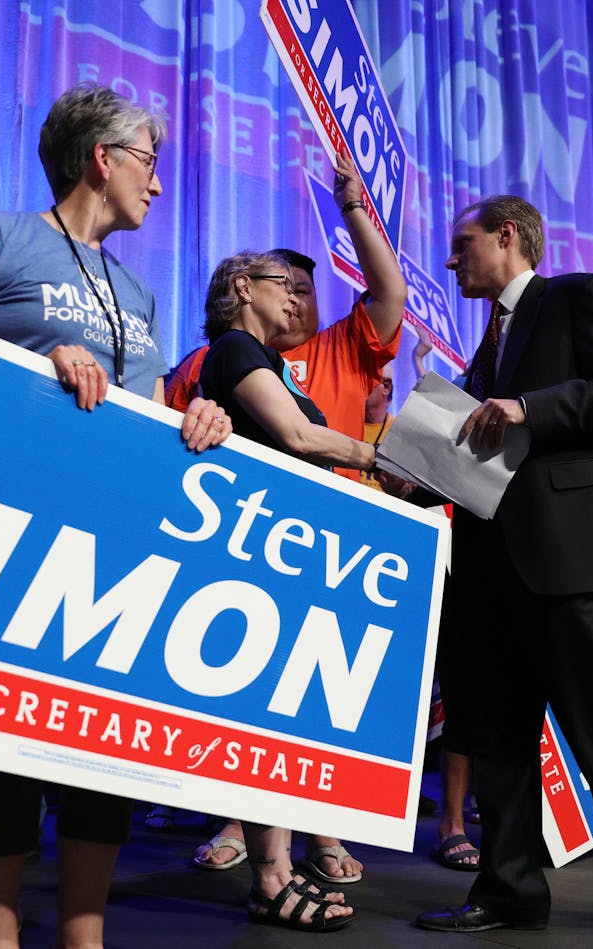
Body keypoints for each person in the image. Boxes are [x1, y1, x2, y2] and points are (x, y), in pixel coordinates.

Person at [0, 82, 227, 949]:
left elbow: (148, 421)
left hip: (116, 544)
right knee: (3, 747)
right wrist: (32, 360)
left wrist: (196, 419)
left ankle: (83, 937)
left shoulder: (142, 292)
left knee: (104, 746)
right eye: (149, 162)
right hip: (4, 530)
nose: (158, 184)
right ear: (103, 159)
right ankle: (1, 937)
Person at [414, 195, 593, 940]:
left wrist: (528, 407)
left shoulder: (576, 296)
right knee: (498, 735)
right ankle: (510, 887)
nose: (452, 261)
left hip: (570, 557)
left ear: (507, 236)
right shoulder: (486, 344)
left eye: (463, 243)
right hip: (491, 564)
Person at [197, 249, 377, 932]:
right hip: (254, 559)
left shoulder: (261, 357)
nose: (302, 301)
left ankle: (278, 869)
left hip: (281, 561)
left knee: (279, 722)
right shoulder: (238, 348)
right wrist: (386, 461)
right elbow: (299, 435)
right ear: (243, 288)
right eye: (287, 287)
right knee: (263, 721)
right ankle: (269, 876)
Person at [166, 149, 404, 482]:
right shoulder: (217, 353)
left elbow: (392, 294)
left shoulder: (341, 350)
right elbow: (168, 433)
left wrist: (352, 206)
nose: (292, 298)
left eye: (301, 291)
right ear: (245, 288)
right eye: (284, 285)